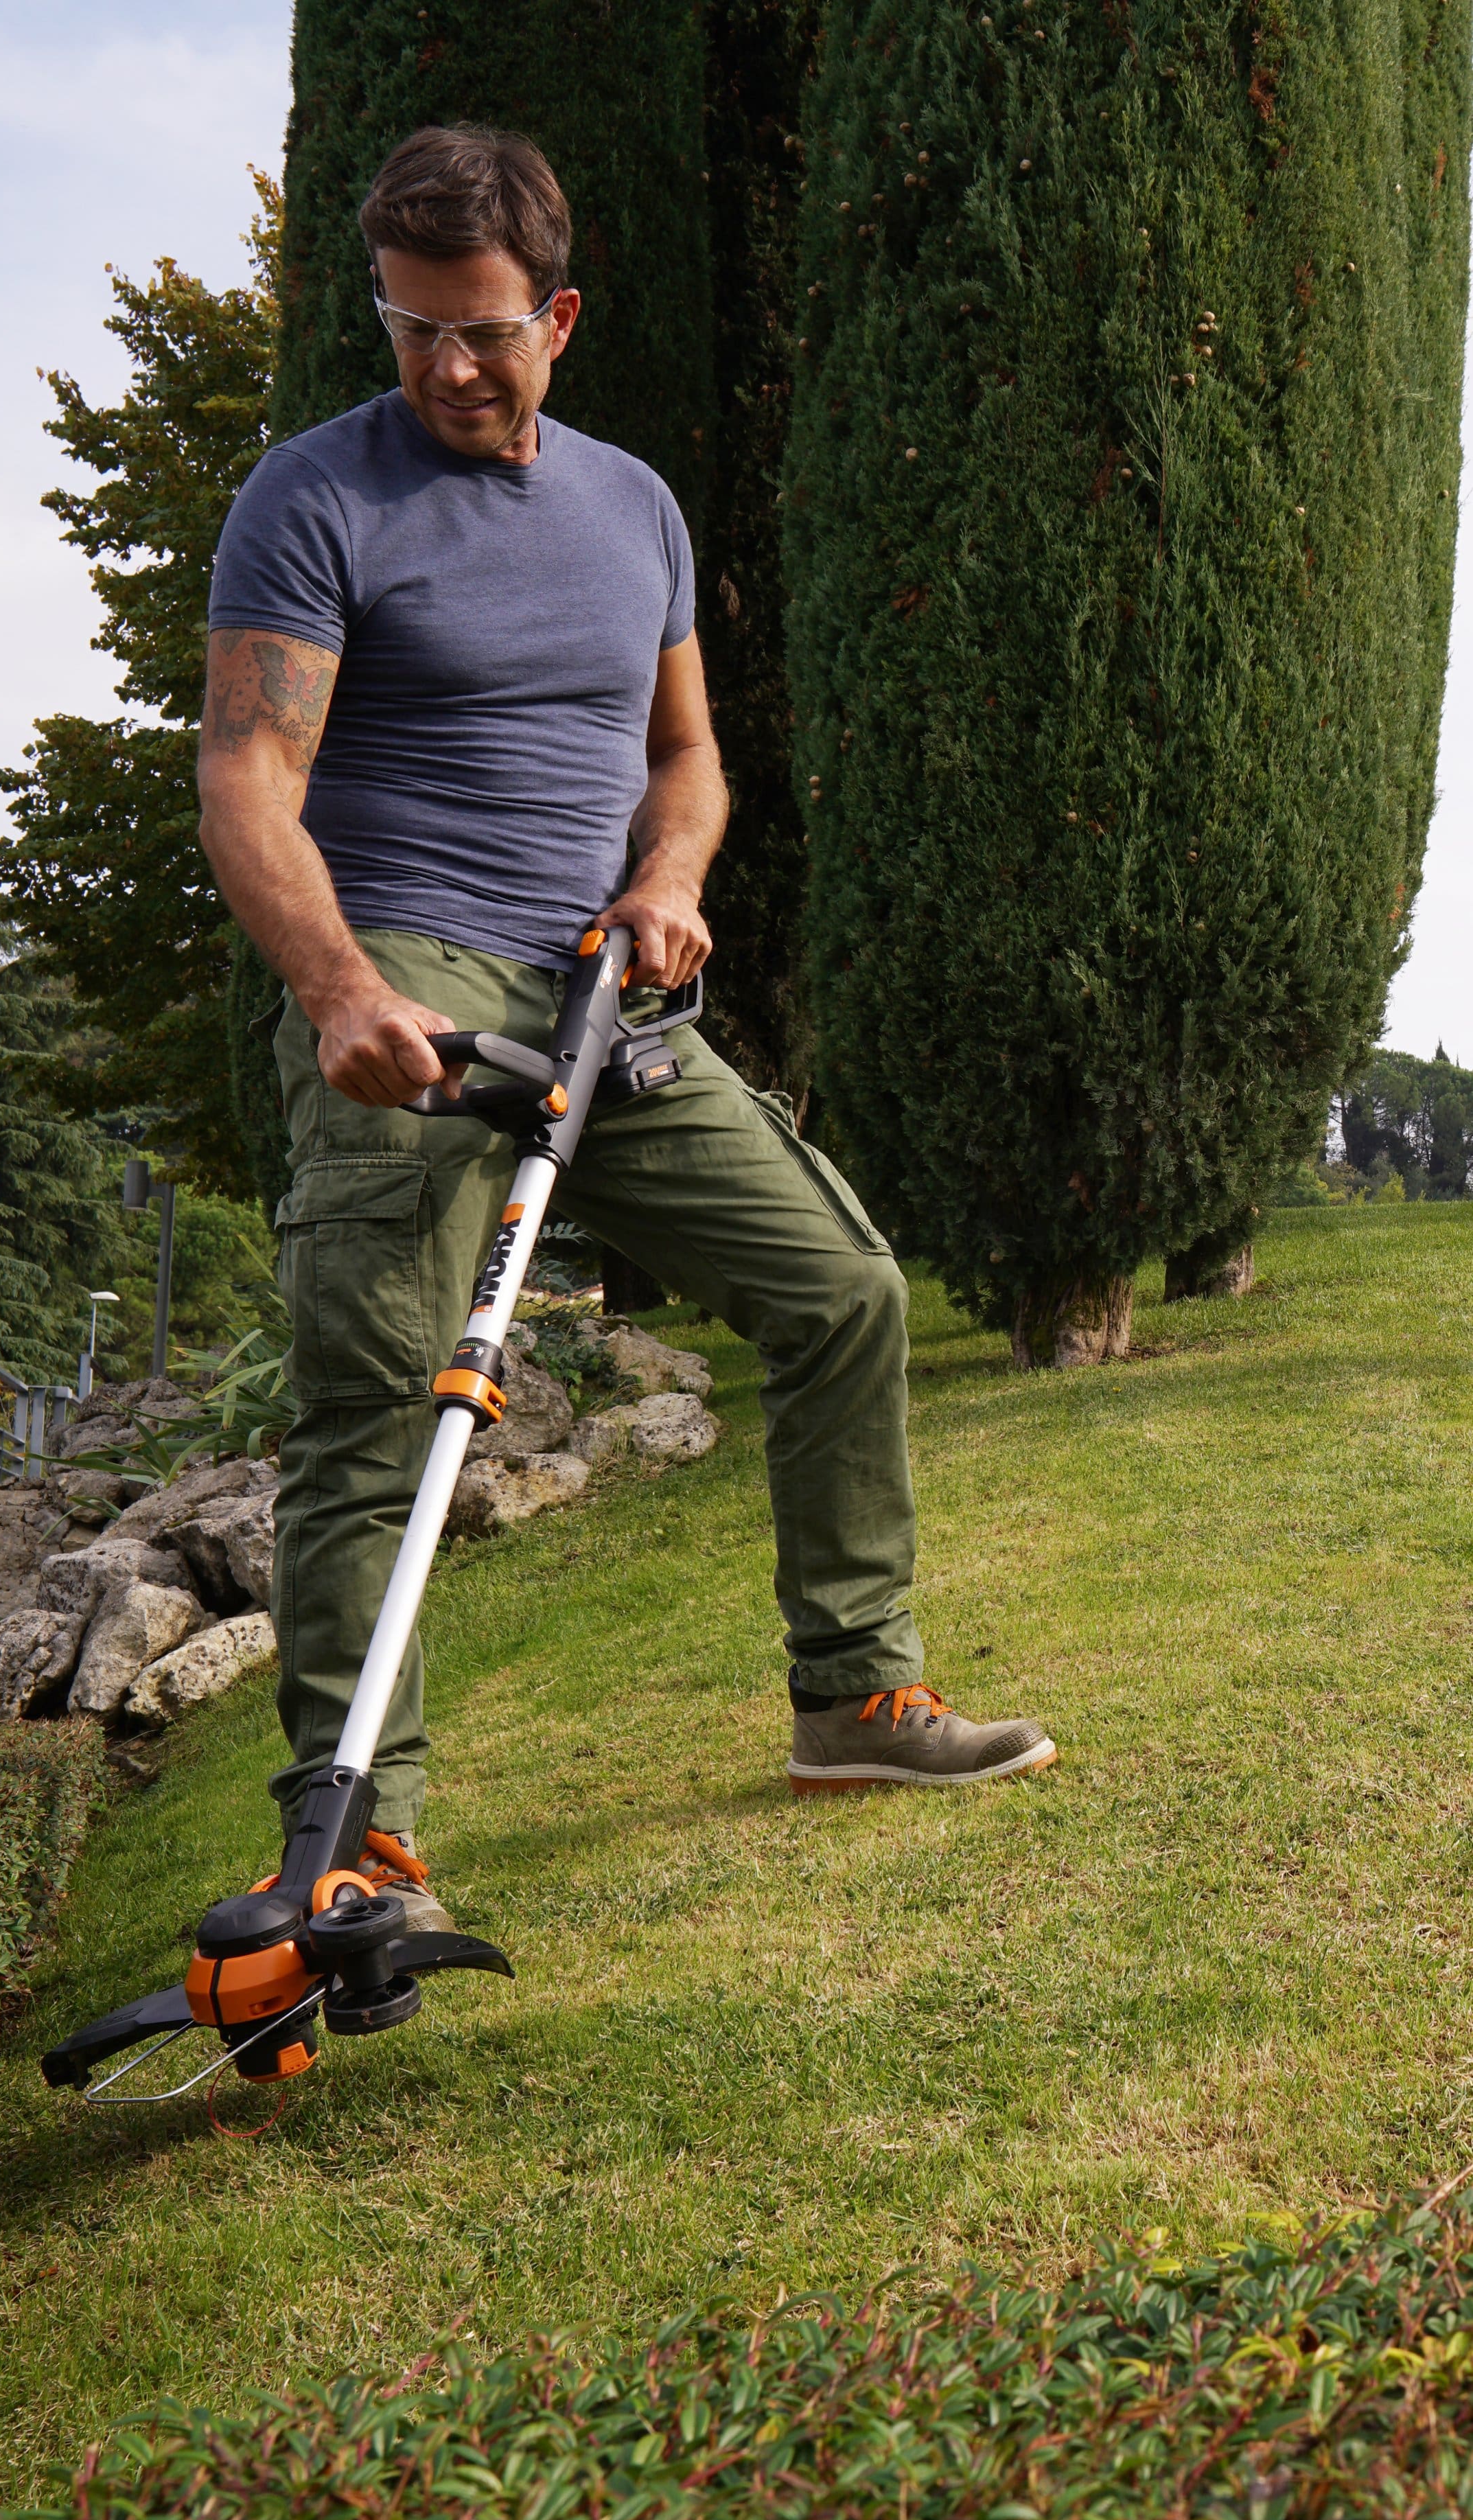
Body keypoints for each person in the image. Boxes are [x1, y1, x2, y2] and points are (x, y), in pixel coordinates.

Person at [196, 126, 1054, 1910]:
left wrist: (670, 877)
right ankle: (356, 1852)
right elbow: (247, 778)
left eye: (483, 329)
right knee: (380, 1409)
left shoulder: (635, 509)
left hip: (604, 992)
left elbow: (686, 754)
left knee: (843, 1292)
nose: (446, 365)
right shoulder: (315, 496)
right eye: (411, 325)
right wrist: (339, 988)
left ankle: (856, 1695)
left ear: (561, 318)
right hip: (411, 981)